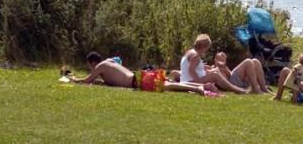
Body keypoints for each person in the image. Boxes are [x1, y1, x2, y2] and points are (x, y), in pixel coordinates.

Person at [70, 51, 208, 95]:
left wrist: (74, 79)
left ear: (92, 63)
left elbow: (87, 81)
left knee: (168, 85)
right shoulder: (109, 61)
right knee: (168, 83)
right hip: (138, 76)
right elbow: (110, 80)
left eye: (89, 66)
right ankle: (198, 86)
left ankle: (197, 88)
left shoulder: (100, 67)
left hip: (136, 81)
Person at [180, 34, 249, 94]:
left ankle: (235, 88)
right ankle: (238, 90)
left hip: (186, 79)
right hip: (190, 81)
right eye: (207, 48)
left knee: (215, 71)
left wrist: (204, 67)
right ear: (204, 46)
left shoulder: (190, 52)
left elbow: (192, 67)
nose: (206, 50)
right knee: (215, 75)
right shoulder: (195, 56)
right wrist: (199, 83)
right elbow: (191, 70)